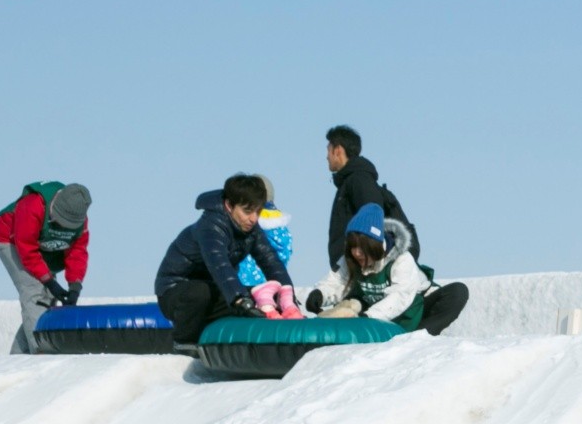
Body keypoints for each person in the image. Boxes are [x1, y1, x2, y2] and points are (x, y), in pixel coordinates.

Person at [154, 174, 296, 344]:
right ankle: (184, 342)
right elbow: (219, 264)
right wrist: (239, 299)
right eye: (247, 211)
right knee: (200, 293)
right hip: (176, 292)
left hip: (215, 289)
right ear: (229, 205)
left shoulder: (251, 229)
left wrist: (287, 296)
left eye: (258, 212)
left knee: (263, 296)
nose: (253, 218)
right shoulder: (211, 227)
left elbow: (270, 261)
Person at [307, 203, 471, 333]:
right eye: (352, 246)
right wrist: (320, 294)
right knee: (351, 305)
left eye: (362, 247)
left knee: (458, 292)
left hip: (412, 311)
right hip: (374, 318)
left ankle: (419, 339)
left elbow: (400, 296)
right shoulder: (350, 260)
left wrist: (369, 317)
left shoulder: (401, 260)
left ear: (375, 245)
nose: (356, 252)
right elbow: (337, 281)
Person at [0, 181, 90, 353]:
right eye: (59, 221)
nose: (62, 226)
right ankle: (41, 355)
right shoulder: (32, 205)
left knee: (47, 301)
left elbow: (77, 251)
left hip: (46, 246)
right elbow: (27, 250)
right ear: (55, 205)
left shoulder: (80, 219)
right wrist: (50, 282)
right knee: (35, 292)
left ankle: (18, 360)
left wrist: (75, 287)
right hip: (13, 241)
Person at [325, 124, 419, 269]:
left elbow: (372, 220)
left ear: (338, 150)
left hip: (362, 270)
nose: (327, 156)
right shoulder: (351, 181)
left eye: (328, 150)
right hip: (353, 267)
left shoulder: (358, 179)